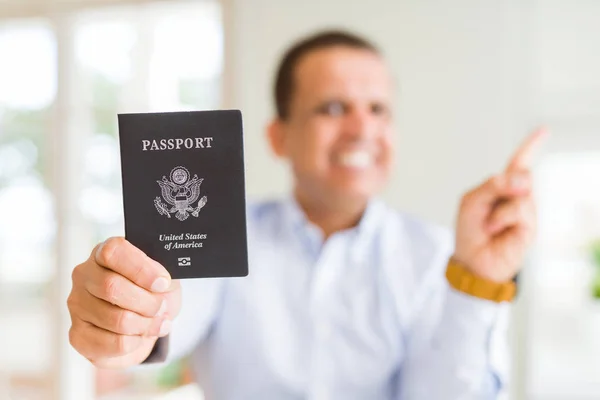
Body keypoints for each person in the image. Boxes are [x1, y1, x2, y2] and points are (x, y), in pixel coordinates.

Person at [67, 30, 545, 399]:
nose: (362, 128)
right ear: (279, 137)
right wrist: (127, 320)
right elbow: (170, 317)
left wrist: (477, 282)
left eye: (378, 109)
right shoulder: (228, 236)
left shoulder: (442, 257)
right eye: (333, 108)